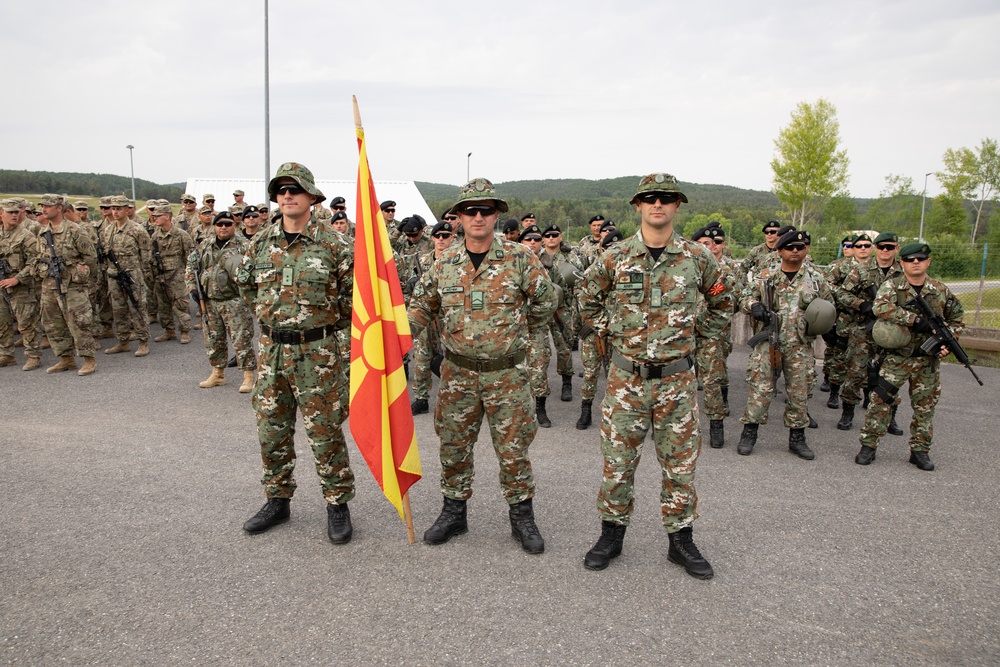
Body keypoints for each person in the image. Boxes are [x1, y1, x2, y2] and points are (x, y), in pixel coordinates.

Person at [578, 173, 732, 578]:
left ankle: (680, 541)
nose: (657, 205)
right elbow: (587, 298)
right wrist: (610, 331)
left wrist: (696, 337)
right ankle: (611, 534)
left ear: (677, 205)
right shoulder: (615, 257)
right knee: (617, 463)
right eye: (649, 198)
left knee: (680, 466)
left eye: (665, 198)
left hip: (676, 382)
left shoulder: (698, 258)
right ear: (638, 206)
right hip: (626, 380)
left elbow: (722, 301)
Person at [407, 177, 556, 554]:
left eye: (485, 210)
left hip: (507, 373)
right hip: (457, 374)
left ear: (496, 215)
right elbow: (422, 307)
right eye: (469, 210)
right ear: (457, 217)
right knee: (454, 447)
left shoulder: (520, 258)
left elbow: (545, 303)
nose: (477, 216)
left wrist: (517, 335)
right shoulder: (445, 263)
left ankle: (521, 516)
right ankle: (453, 512)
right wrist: (395, 341)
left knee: (513, 449)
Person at [237, 162, 357, 544]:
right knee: (271, 430)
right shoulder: (258, 243)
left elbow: (354, 302)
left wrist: (336, 347)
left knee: (325, 432)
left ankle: (337, 504)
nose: (287, 195)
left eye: (295, 189)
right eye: (281, 190)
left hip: (318, 352)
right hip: (272, 351)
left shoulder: (335, 245)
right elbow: (246, 289)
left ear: (311, 197)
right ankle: (277, 499)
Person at [855, 242, 964, 471]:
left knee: (924, 407)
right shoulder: (892, 287)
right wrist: (914, 320)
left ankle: (920, 451)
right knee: (880, 402)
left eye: (920, 259)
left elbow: (957, 318)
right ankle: (869, 446)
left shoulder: (940, 290)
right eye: (910, 259)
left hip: (927, 361)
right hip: (896, 358)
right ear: (902, 263)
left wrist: (947, 341)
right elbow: (880, 308)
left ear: (928, 262)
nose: (916, 262)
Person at [737, 230, 833, 459]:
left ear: (806, 250)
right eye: (789, 247)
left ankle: (797, 438)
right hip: (767, 342)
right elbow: (743, 298)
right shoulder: (765, 276)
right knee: (760, 389)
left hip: (800, 346)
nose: (795, 251)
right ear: (779, 251)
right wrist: (753, 306)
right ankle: (749, 433)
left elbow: (828, 307)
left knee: (799, 392)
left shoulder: (816, 280)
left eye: (800, 247)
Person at [834, 232, 904, 432]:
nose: (885, 251)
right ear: (875, 247)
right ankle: (848, 413)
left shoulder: (903, 273)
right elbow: (842, 293)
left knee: (891, 375)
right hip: (863, 330)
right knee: (855, 372)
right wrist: (861, 304)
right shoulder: (862, 270)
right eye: (881, 246)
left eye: (889, 247)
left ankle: (889, 417)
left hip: (893, 331)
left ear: (896, 249)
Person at [32, 194, 99, 375]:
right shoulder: (43, 231)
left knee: (79, 322)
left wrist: (78, 274)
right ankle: (66, 358)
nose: (44, 209)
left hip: (71, 285)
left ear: (59, 208)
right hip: (50, 283)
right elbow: (40, 256)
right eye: (43, 206)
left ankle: (88, 359)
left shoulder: (75, 230)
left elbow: (91, 258)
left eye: (48, 206)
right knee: (53, 323)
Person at [693, 225, 740, 447]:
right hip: (683, 331)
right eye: (701, 244)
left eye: (710, 244)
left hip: (710, 331)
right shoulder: (683, 268)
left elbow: (723, 297)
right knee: (679, 380)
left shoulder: (724, 271)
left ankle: (716, 424)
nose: (706, 247)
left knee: (712, 379)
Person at [409, 219, 456, 415]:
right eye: (438, 236)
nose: (442, 239)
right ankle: (421, 398)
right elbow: (409, 282)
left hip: (450, 316)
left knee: (453, 357)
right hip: (427, 315)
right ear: (433, 238)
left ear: (453, 237)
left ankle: (455, 397)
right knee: (421, 356)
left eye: (446, 236)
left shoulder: (459, 260)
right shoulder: (422, 261)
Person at [102, 195, 152, 357]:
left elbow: (146, 254)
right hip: (114, 275)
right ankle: (123, 341)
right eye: (113, 209)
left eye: (119, 209)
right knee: (118, 309)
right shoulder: (108, 230)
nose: (115, 212)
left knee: (137, 307)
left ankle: (143, 341)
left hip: (132, 274)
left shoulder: (137, 229)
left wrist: (141, 274)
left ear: (126, 210)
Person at [540, 223, 581, 402]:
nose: (551, 238)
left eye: (554, 235)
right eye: (547, 235)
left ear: (560, 236)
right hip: (541, 309)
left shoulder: (571, 257)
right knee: (539, 349)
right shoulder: (537, 256)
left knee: (564, 346)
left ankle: (566, 382)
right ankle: (538, 386)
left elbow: (580, 279)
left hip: (562, 306)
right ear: (543, 238)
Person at [0, 199, 42, 371]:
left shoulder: (26, 236)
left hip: (20, 286)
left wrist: (18, 278)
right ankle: (7, 354)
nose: (14, 215)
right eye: (10, 212)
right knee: (2, 321)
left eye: (16, 212)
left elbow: (37, 260)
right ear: (1, 213)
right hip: (1, 284)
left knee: (26, 322)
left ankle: (33, 355)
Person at [148, 204, 194, 344]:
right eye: (153, 216)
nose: (154, 218)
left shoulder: (181, 235)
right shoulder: (155, 236)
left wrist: (188, 275)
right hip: (160, 275)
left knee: (180, 303)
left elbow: (190, 256)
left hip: (177, 275)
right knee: (163, 305)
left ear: (167, 216)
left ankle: (185, 331)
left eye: (157, 216)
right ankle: (169, 331)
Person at [820, 235, 856, 407]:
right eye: (846, 245)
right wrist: (845, 294)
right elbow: (827, 285)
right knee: (836, 352)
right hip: (840, 315)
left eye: (852, 245)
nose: (849, 248)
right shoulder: (837, 266)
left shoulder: (870, 268)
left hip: (863, 319)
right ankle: (831, 384)